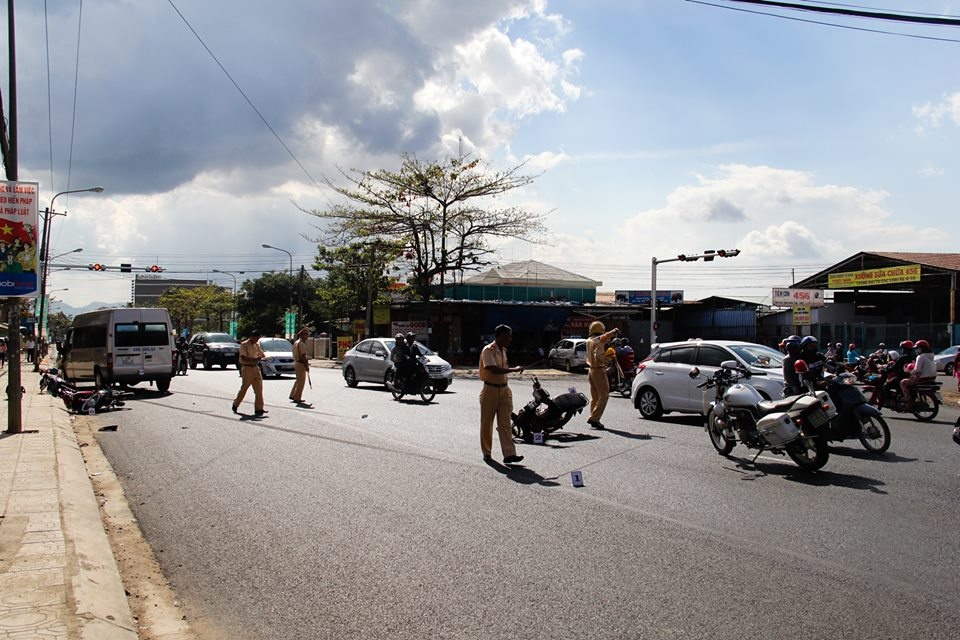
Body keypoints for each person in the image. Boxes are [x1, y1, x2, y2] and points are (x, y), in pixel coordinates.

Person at [479, 324, 524, 464]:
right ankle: (487, 452)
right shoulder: (488, 350)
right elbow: (492, 368)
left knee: (505, 423)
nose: (510, 339)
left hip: (504, 390)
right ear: (499, 336)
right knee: (487, 423)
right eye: (508, 336)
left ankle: (509, 454)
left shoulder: (503, 350)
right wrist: (513, 370)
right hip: (490, 390)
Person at [585, 320, 620, 429]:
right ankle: (594, 419)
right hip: (599, 370)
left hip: (590, 370)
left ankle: (592, 415)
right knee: (604, 395)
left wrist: (613, 332)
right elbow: (599, 356)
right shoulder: (598, 342)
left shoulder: (589, 340)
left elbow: (603, 337)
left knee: (595, 397)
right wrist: (608, 359)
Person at [233, 330, 266, 416]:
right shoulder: (244, 344)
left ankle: (259, 408)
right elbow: (243, 358)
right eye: (256, 338)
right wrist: (254, 359)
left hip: (255, 368)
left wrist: (264, 357)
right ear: (252, 337)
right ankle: (236, 404)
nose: (257, 340)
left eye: (258, 338)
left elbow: (261, 354)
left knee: (259, 389)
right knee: (245, 387)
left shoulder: (256, 345)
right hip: (247, 368)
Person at [900, 339, 936, 410]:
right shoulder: (931, 356)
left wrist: (909, 372)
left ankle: (908, 399)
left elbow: (917, 369)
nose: (917, 350)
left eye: (918, 348)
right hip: (931, 378)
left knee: (903, 382)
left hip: (922, 379)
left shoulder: (921, 357)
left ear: (922, 348)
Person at [289, 328, 311, 404]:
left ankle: (293, 394)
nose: (307, 336)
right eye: (306, 334)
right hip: (300, 363)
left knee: (298, 380)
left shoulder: (296, 342)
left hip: (297, 363)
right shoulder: (301, 343)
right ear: (302, 335)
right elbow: (303, 356)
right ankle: (297, 398)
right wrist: (306, 365)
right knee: (301, 382)